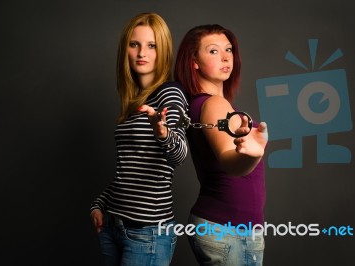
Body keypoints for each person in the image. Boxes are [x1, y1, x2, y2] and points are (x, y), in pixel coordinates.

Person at [90, 13, 188, 266]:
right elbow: (129, 168)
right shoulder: (135, 101)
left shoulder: (170, 93)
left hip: (147, 233)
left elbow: (179, 156)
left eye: (151, 45)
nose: (141, 52)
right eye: (134, 44)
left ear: (163, 51)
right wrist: (100, 203)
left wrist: (162, 132)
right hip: (113, 227)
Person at [174, 24, 268, 265]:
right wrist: (251, 156)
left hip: (227, 228)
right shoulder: (215, 104)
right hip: (229, 230)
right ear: (194, 61)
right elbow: (229, 159)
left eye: (229, 49)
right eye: (213, 51)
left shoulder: (203, 103)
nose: (227, 56)